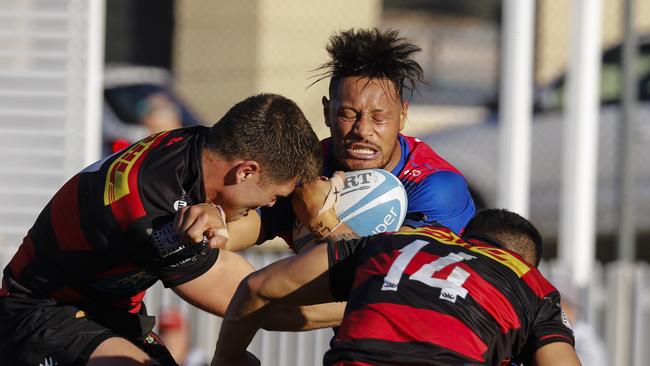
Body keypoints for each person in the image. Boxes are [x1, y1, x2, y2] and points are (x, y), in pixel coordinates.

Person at [0, 93, 323, 366]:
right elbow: (256, 302)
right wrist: (364, 299)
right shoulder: (153, 207)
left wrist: (218, 213)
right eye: (274, 196)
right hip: (41, 312)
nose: (268, 205)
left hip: (109, 313)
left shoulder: (196, 147)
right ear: (245, 172)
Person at [212, 176, 580, 365]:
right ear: (525, 263)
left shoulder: (394, 240)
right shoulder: (533, 286)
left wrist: (227, 360)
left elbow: (258, 286)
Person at [226, 28, 476, 253]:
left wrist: (321, 219)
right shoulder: (307, 168)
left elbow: (393, 282)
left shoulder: (437, 187)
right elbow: (239, 231)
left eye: (379, 118)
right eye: (348, 114)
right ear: (327, 113)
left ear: (402, 116)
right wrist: (213, 227)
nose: (363, 130)